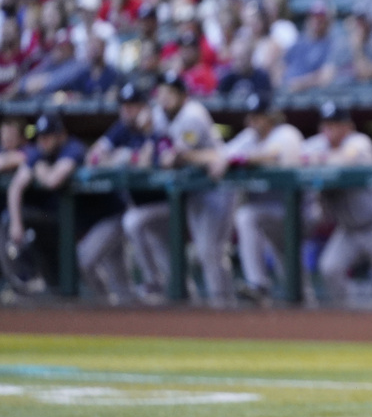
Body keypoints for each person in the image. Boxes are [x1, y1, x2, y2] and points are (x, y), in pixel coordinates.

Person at [6, 113, 131, 302]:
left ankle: (106, 305)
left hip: (110, 215)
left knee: (84, 260)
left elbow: (53, 180)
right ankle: (114, 309)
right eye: (40, 136)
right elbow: (16, 186)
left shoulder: (73, 147)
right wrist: (16, 223)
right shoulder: (40, 152)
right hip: (91, 221)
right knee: (115, 272)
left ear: (61, 134)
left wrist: (38, 168)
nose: (43, 141)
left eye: (48, 136)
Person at [304, 101, 372, 306]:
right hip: (349, 228)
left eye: (335, 124)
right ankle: (350, 319)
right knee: (330, 267)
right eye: (325, 124)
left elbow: (344, 161)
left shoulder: (360, 142)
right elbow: (297, 157)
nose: (329, 129)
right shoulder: (318, 144)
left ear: (347, 126)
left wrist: (316, 160)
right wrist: (317, 158)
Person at [152, 71, 235, 306]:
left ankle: (224, 306)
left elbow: (173, 157)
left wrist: (171, 156)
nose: (164, 98)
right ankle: (222, 302)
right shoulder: (160, 114)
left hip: (217, 186)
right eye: (161, 93)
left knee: (210, 250)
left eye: (170, 93)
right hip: (196, 188)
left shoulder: (192, 115)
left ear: (182, 96)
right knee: (205, 251)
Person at [217, 93, 304, 303]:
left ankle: (259, 284)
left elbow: (272, 155)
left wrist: (240, 159)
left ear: (271, 117)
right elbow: (222, 155)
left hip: (297, 212)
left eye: (259, 117)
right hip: (270, 214)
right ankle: (302, 311)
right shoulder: (249, 137)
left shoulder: (286, 133)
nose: (253, 121)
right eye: (252, 116)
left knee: (247, 216)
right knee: (291, 273)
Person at [88, 83, 167, 302]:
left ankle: (156, 282)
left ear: (145, 107)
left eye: (133, 106)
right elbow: (93, 157)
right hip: (141, 207)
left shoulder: (157, 126)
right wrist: (123, 157)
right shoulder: (121, 128)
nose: (127, 111)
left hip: (169, 205)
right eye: (124, 106)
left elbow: (145, 163)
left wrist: (124, 157)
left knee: (172, 268)